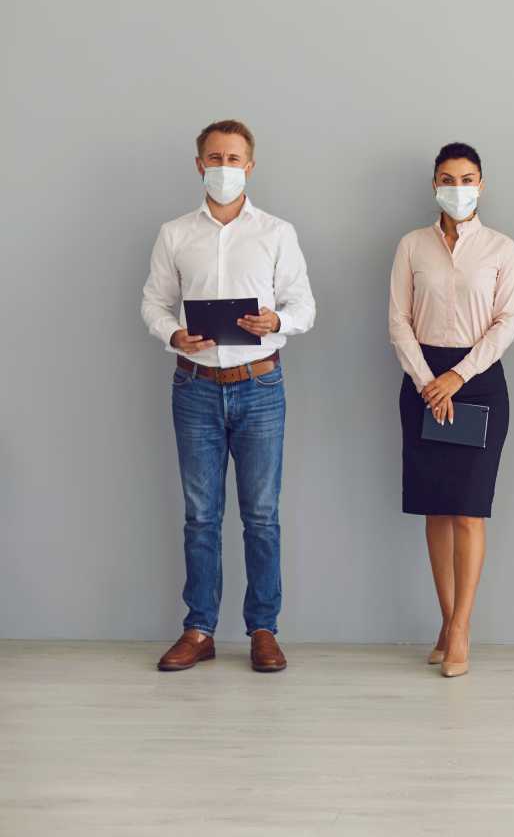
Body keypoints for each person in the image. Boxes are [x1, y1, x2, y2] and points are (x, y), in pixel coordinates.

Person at [142, 119, 315, 673]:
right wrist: (172, 333)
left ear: (250, 165)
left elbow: (305, 307)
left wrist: (275, 321)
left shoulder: (276, 232)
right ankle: (199, 629)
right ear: (199, 165)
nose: (224, 168)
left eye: (234, 158)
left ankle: (263, 629)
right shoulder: (175, 234)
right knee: (200, 516)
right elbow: (153, 302)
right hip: (194, 386)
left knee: (261, 515)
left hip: (260, 385)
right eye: (214, 158)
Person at [389, 142, 514, 678]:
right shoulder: (412, 245)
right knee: (436, 507)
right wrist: (427, 381)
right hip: (422, 380)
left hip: (478, 379)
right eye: (447, 178)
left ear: (481, 185)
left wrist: (456, 377)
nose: (457, 188)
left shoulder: (500, 247)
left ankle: (463, 625)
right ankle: (445, 620)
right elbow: (398, 320)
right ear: (435, 185)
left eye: (467, 179)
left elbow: (507, 322)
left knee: (468, 509)